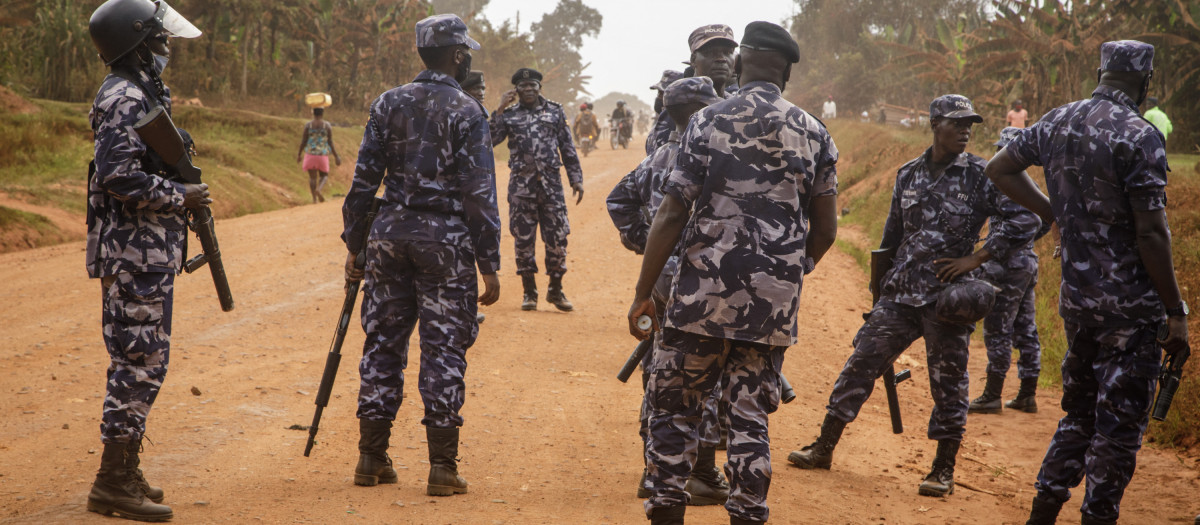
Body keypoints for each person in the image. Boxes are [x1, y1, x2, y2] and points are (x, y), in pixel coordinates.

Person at [628, 22, 839, 525]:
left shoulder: (706, 122)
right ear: (786, 71)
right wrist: (787, 271)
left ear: (741, 63)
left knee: (675, 410)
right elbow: (827, 229)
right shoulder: (814, 132)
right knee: (749, 416)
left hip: (699, 297)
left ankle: (666, 512)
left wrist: (643, 293)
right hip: (769, 307)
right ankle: (747, 514)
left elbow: (673, 212)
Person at [787, 95, 1039, 499]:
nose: (965, 130)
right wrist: (878, 292)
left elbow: (1027, 217)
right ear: (934, 124)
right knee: (860, 363)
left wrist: (977, 257)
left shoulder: (981, 174)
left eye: (969, 124)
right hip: (901, 295)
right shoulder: (908, 174)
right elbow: (890, 238)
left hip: (947, 299)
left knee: (949, 384)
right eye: (956, 123)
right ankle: (824, 447)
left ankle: (943, 469)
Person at [984, 40, 1189, 525]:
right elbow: (1151, 232)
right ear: (1146, 82)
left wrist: (1050, 211)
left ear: (1101, 71)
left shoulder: (1057, 120)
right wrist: (1176, 312)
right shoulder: (1140, 135)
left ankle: (1043, 512)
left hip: (1076, 303)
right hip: (1130, 310)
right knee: (1117, 431)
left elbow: (999, 168)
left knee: (1077, 416)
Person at [342, 13, 501, 498]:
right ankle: (441, 467)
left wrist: (355, 245)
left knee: (383, 343)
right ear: (456, 55)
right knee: (443, 348)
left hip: (388, 234)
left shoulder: (387, 103)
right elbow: (479, 193)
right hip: (445, 242)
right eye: (466, 50)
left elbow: (363, 183)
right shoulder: (467, 110)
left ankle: (371, 458)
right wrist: (488, 263)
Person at [85, 0, 206, 521]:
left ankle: (125, 470)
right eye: (159, 40)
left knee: (143, 361)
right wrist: (183, 196)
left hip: (146, 252)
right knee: (139, 364)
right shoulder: (124, 97)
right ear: (138, 44)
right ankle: (112, 483)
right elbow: (118, 175)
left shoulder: (140, 93)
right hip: (135, 253)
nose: (166, 48)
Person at [607, 77, 730, 508]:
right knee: (707, 379)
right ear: (698, 111)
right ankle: (702, 472)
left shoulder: (658, 156)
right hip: (702, 280)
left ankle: (652, 468)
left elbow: (618, 200)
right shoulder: (717, 155)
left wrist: (645, 245)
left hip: (662, 279)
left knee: (660, 375)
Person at [967, 127, 1047, 415]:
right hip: (1025, 262)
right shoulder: (1030, 185)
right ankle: (1027, 394)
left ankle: (992, 395)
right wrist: (1023, 244)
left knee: (998, 329)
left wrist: (994, 250)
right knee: (1025, 328)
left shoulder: (1006, 184)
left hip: (1007, 267)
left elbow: (1029, 221)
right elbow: (1043, 220)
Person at [490, 67, 584, 312]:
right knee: (523, 241)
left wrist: (576, 179)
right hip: (522, 189)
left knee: (557, 239)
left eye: (532, 85)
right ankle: (529, 292)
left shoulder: (555, 111)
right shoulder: (509, 115)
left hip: (551, 188)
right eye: (523, 87)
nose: (528, 90)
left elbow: (568, 147)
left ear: (539, 87)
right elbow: (489, 139)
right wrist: (499, 109)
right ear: (516, 90)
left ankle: (555, 289)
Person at [645, 25, 738, 155]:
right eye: (711, 53)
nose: (721, 59)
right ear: (693, 60)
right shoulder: (680, 108)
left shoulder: (738, 105)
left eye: (728, 52)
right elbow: (661, 164)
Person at [296, 106, 342, 203]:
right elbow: (330, 142)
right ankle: (319, 189)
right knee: (324, 175)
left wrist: (299, 154)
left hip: (310, 155)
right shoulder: (327, 126)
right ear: (322, 114)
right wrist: (336, 156)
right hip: (322, 155)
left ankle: (314, 199)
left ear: (313, 113)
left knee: (312, 178)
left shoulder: (308, 125)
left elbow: (303, 141)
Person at [644, 69, 684, 155]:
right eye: (659, 92)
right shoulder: (661, 119)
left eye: (663, 93)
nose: (659, 97)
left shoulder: (677, 122)